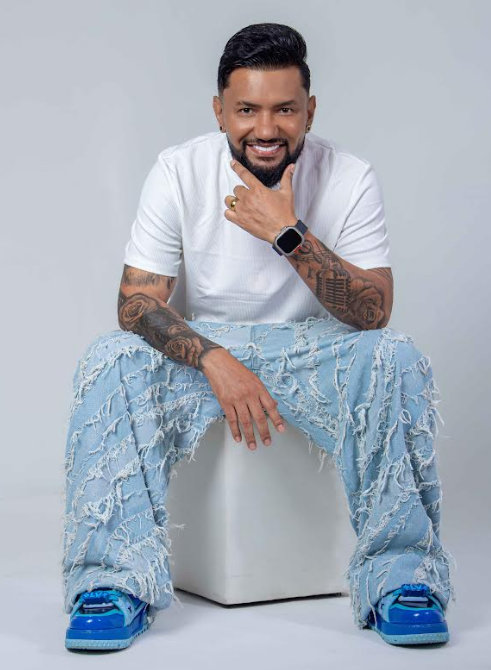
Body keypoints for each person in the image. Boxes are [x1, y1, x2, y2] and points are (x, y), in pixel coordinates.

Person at [63, 22, 454, 651]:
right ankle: (111, 582)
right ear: (219, 111)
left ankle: (402, 577)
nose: (266, 129)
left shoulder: (349, 175)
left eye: (284, 110)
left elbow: (373, 312)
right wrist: (215, 358)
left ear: (310, 111)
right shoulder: (179, 170)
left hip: (314, 349)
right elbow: (136, 304)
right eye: (246, 110)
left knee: (396, 356)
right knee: (109, 358)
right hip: (205, 352)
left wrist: (287, 233)